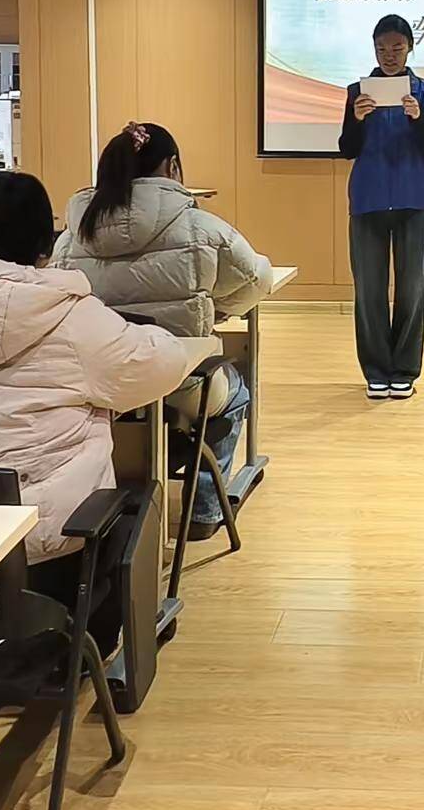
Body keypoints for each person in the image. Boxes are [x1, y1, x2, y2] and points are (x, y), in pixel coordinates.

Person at [0, 172, 192, 615]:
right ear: (45, 246)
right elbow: (158, 368)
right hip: (39, 554)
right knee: (135, 502)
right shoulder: (71, 316)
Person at [52, 122, 276, 529]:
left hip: (99, 383)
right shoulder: (202, 226)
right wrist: (217, 309)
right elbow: (257, 279)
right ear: (172, 167)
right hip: (179, 380)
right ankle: (204, 507)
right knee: (235, 390)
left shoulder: (72, 235)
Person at [338, 13, 424, 399]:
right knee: (369, 289)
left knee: (413, 287)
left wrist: (417, 119)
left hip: (414, 200)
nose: (389, 55)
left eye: (397, 47)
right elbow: (347, 149)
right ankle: (376, 370)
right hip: (367, 200)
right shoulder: (358, 92)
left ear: (410, 47)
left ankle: (405, 369)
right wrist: (357, 119)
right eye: (382, 48)